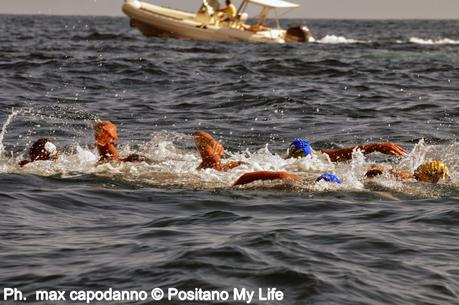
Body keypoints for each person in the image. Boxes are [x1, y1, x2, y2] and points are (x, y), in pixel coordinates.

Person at [365, 160, 450, 183]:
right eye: (435, 178)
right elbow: (375, 168)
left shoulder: (418, 179)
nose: (436, 181)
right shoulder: (405, 177)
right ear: (425, 174)